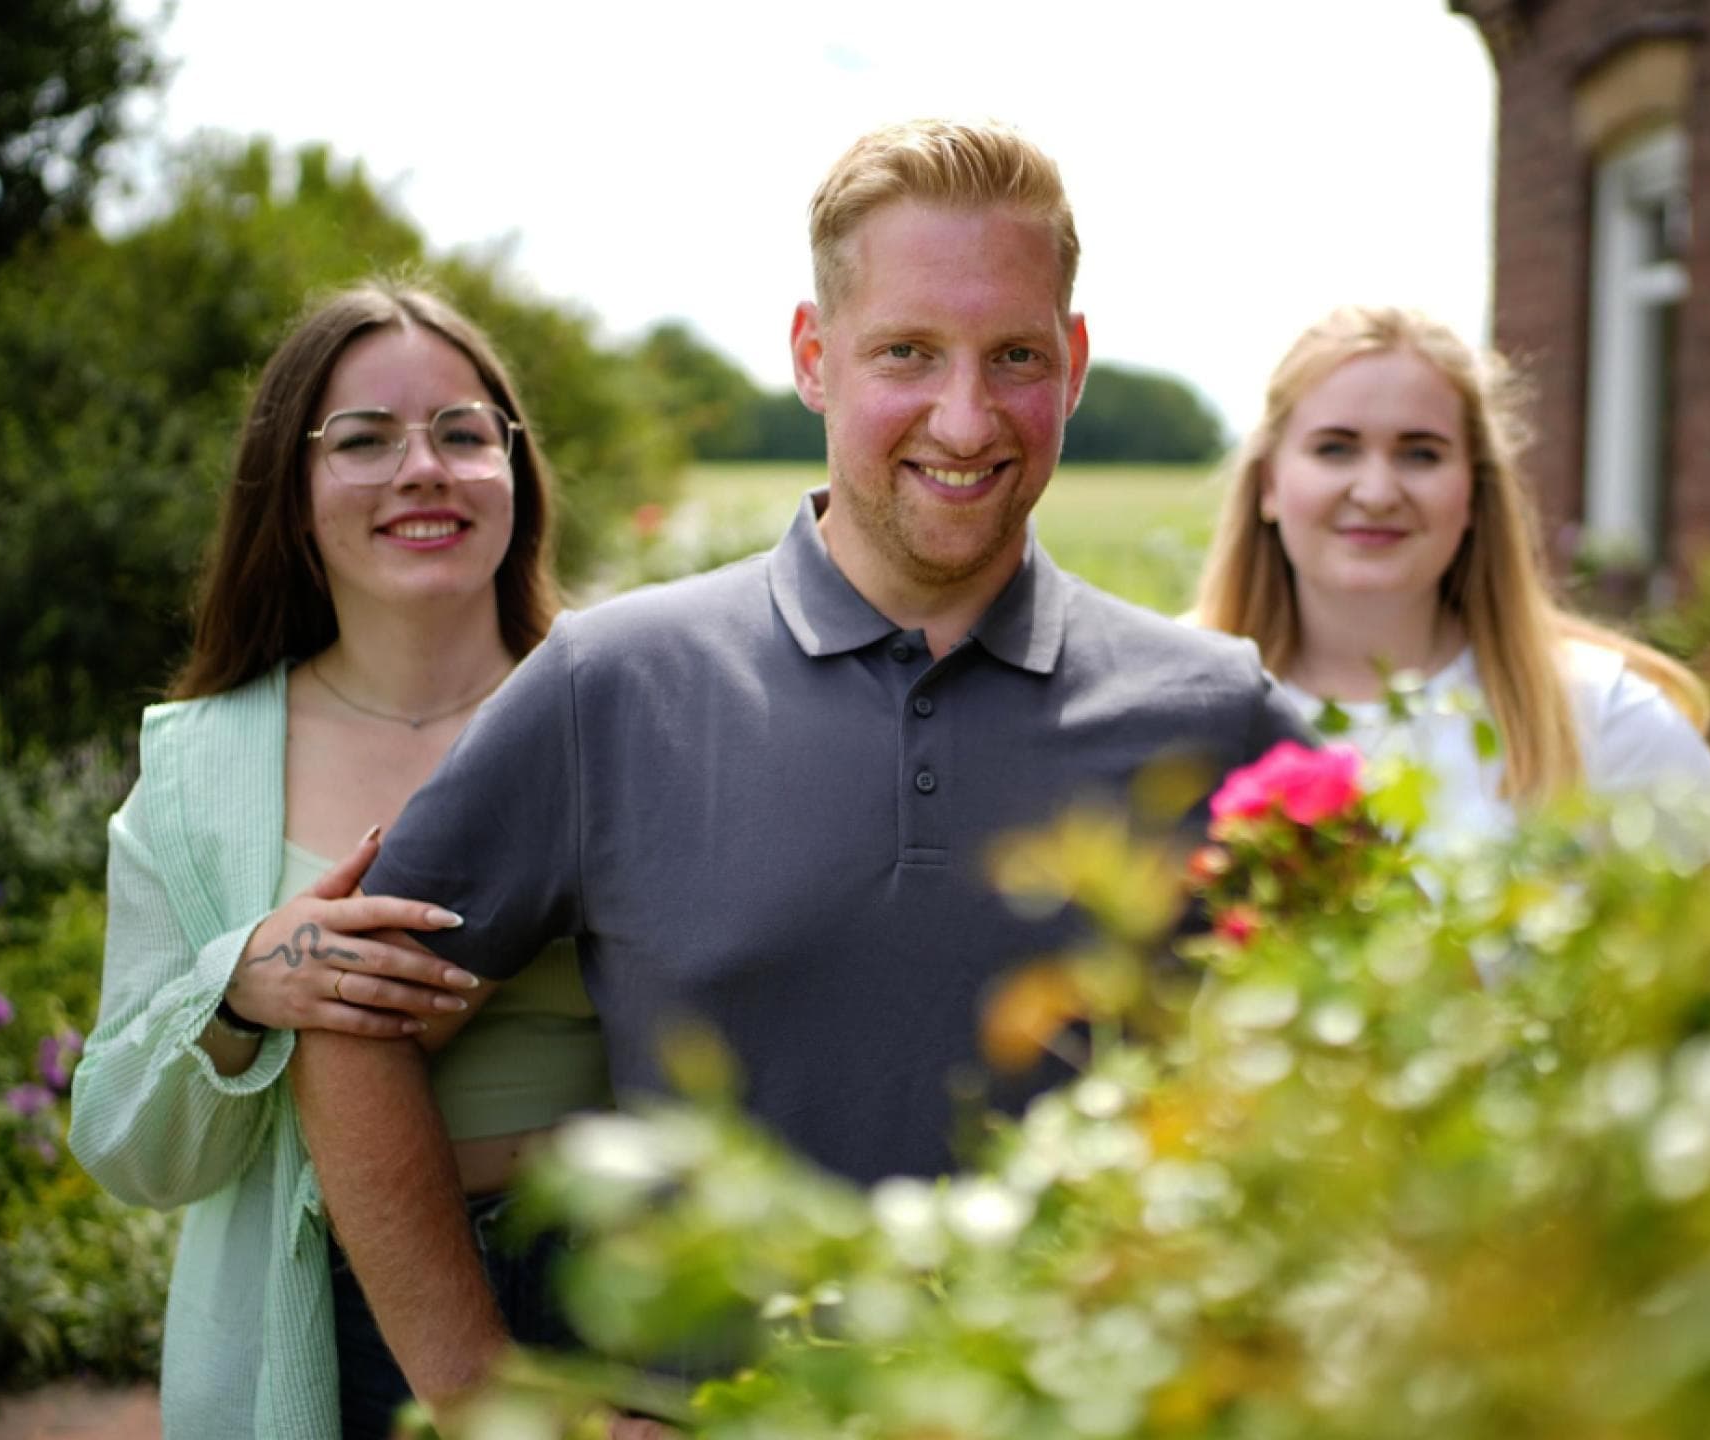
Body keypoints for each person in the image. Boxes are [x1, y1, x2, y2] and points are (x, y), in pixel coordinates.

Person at [290, 119, 1315, 1422]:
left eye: (1014, 356)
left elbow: (1387, 1059)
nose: (966, 415)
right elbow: (352, 1027)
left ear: (1073, 363)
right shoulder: (615, 683)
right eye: (907, 353)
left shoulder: (1216, 716)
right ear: (813, 358)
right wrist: (494, 1399)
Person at [69, 281, 609, 1440]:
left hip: (625, 1291)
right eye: (363, 440)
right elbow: (124, 1143)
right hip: (324, 1317)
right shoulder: (198, 771)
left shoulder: (624, 707)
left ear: (515, 470)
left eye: (463, 433)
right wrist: (238, 987)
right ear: (293, 493)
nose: (424, 469)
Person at [1192, 304, 1710, 855]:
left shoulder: (1599, 714)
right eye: (1335, 448)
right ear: (1268, 483)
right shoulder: (1163, 702)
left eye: (1421, 454)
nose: (1377, 493)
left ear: (1474, 489)